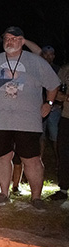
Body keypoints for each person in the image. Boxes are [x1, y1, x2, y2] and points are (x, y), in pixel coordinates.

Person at [0, 26, 60, 210]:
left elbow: (53, 84)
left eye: (14, 38)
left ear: (22, 41)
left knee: (31, 158)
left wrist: (48, 104)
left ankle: (36, 197)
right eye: (6, 39)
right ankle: (4, 192)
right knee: (2, 157)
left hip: (28, 120)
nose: (9, 42)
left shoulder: (35, 62)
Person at [50, 64, 69, 200]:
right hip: (66, 117)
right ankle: (63, 189)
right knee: (64, 153)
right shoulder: (65, 69)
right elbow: (56, 92)